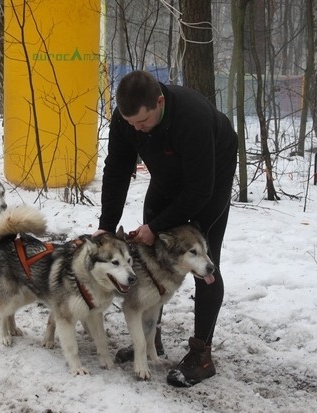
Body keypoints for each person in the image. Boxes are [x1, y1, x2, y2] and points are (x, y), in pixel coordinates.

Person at [94, 70, 238, 387]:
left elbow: (201, 189)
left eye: (143, 122)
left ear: (159, 102)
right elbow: (116, 170)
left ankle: (201, 355)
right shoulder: (126, 119)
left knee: (203, 262)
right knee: (149, 254)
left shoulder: (192, 117)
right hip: (166, 176)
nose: (137, 129)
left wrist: (156, 226)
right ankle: (149, 338)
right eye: (131, 124)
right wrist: (106, 226)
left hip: (209, 181)